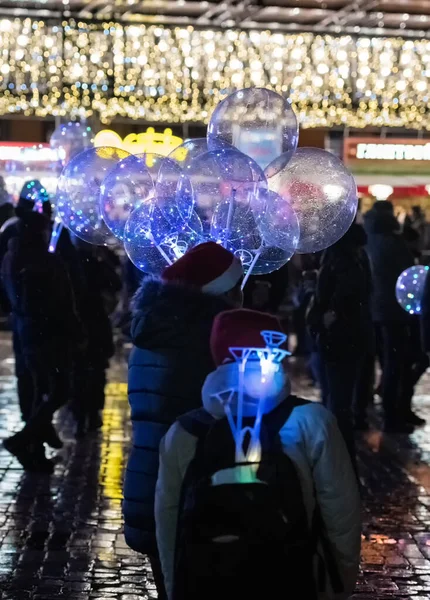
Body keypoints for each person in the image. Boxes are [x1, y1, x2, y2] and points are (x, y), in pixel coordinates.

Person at [155, 309, 361, 600]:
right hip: (289, 579)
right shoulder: (312, 421)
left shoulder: (184, 432)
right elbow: (341, 516)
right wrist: (337, 587)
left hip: (207, 582)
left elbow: (168, 523)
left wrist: (176, 587)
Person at [123, 242, 244, 598]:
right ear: (220, 292)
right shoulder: (205, 339)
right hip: (192, 487)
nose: (242, 295)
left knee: (171, 581)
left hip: (149, 477)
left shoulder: (153, 330)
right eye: (236, 288)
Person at [2, 211, 84, 472]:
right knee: (59, 389)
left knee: (38, 390)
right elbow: (64, 301)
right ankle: (23, 440)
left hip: (25, 331)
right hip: (50, 335)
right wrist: (75, 330)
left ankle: (33, 448)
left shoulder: (11, 256)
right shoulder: (48, 261)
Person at [312, 224, 373, 464]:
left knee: (337, 401)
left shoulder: (342, 262)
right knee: (338, 399)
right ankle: (339, 452)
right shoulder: (355, 260)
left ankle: (338, 454)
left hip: (339, 338)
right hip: (351, 337)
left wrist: (326, 314)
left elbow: (338, 300)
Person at [364, 201, 415, 432]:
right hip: (395, 310)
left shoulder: (368, 243)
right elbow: (407, 273)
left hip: (373, 309)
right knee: (397, 362)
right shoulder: (395, 244)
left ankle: (382, 407)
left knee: (382, 361)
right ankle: (394, 413)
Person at [70, 239, 121, 437]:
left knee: (80, 372)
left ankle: (81, 414)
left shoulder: (68, 263)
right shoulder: (94, 263)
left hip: (78, 325)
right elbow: (115, 283)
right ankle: (91, 412)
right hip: (94, 323)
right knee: (95, 371)